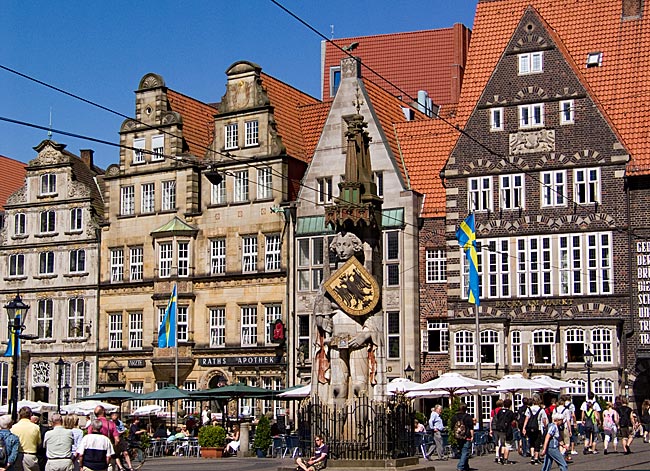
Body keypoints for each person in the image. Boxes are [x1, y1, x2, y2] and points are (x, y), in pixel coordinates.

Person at [11, 406, 42, 471]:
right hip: (30, 455)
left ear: (20, 415)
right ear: (30, 415)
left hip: (17, 455)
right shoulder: (35, 427)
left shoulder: (13, 427)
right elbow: (39, 443)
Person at [522, 395, 547, 464]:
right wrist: (546, 427)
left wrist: (524, 427)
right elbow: (544, 420)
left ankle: (532, 456)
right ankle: (536, 458)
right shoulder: (541, 410)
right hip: (538, 428)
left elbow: (527, 418)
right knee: (537, 443)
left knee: (531, 442)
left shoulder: (529, 409)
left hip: (530, 428)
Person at [492, 398, 516, 465]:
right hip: (507, 430)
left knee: (502, 443)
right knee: (507, 444)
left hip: (499, 429)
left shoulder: (499, 411)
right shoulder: (510, 412)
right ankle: (505, 459)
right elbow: (513, 422)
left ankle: (501, 456)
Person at [451, 403, 473, 471]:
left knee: (462, 451)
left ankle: (466, 466)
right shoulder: (468, 416)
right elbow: (471, 427)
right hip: (467, 436)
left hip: (458, 436)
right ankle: (460, 466)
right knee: (465, 451)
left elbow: (452, 427)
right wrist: (472, 436)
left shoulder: (454, 417)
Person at [489, 399, 503, 463]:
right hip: (501, 427)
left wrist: (490, 429)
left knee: (496, 442)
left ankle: (497, 455)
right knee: (501, 442)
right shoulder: (502, 411)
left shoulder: (493, 411)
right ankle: (500, 456)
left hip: (494, 427)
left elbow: (491, 420)